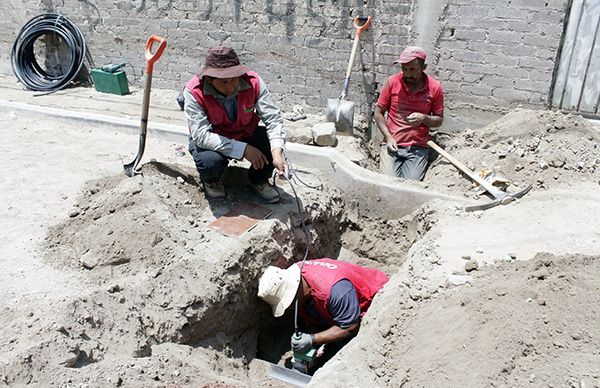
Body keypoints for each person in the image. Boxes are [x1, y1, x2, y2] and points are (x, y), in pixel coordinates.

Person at [183, 46, 288, 202]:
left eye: (234, 79)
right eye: (224, 82)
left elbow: (273, 119)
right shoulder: (194, 92)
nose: (231, 86)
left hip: (245, 132)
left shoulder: (253, 82)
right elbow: (201, 136)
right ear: (210, 79)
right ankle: (211, 181)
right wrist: (244, 149)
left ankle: (257, 180)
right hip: (214, 138)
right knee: (209, 162)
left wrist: (277, 153)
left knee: (270, 144)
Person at [257, 258, 389, 362]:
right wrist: (312, 343)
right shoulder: (299, 277)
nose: (290, 307)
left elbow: (350, 326)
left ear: (295, 289)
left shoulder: (336, 291)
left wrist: (312, 339)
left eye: (290, 303)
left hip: (374, 302)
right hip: (339, 302)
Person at [374, 46, 444, 181]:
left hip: (418, 148)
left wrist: (424, 118)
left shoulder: (434, 87)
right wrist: (388, 137)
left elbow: (439, 120)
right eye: (404, 69)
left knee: (410, 185)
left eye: (412, 69)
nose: (407, 74)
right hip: (392, 144)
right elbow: (378, 113)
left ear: (424, 67)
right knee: (387, 183)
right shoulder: (392, 82)